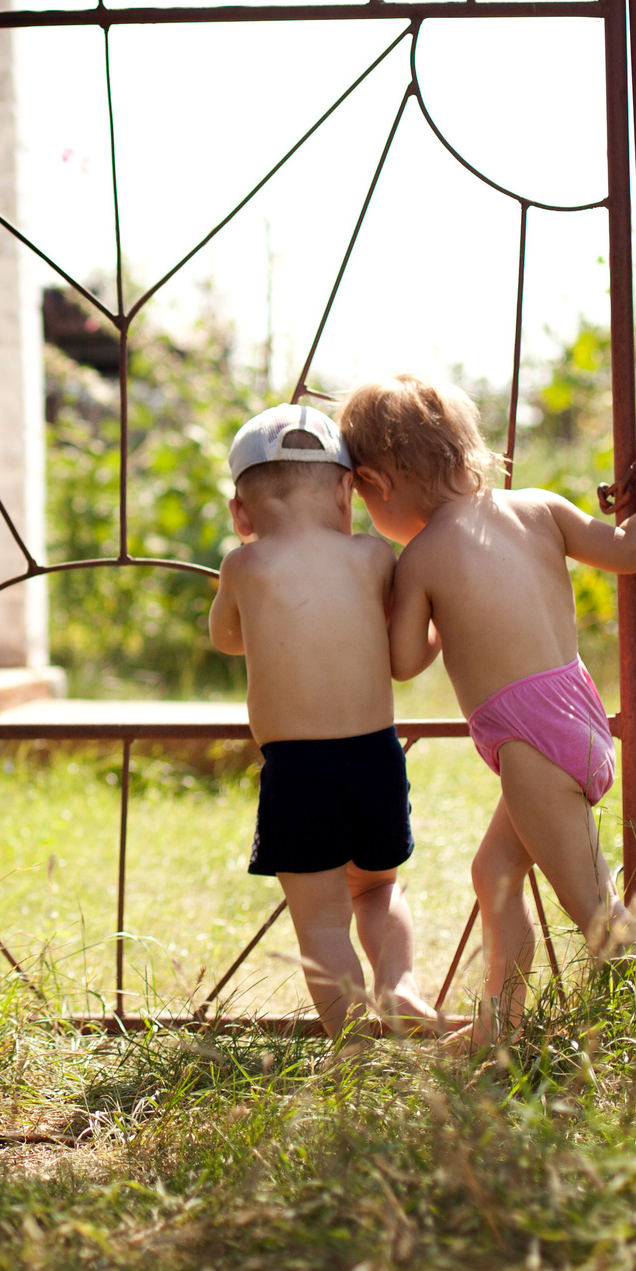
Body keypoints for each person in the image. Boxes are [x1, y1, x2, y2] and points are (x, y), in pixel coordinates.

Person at [338, 374, 636, 1044]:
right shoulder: (538, 506)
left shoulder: (420, 558)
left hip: (531, 746)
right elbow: (629, 551)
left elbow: (404, 660)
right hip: (578, 716)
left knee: (593, 907)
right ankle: (500, 1023)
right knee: (494, 872)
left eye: (360, 495)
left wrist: (401, 596)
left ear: (377, 482)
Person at [208, 403, 441, 1040]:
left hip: (299, 770)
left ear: (241, 514)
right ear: (347, 491)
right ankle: (400, 986)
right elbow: (401, 656)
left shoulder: (244, 566)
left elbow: (226, 639)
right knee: (377, 890)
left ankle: (351, 1033)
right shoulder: (372, 558)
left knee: (320, 920)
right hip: (375, 757)